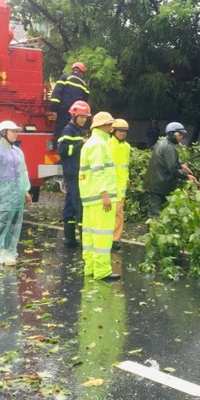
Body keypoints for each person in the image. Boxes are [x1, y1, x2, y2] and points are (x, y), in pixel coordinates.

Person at [0, 120, 33, 270]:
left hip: (16, 194)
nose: (16, 134)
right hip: (2, 194)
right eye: (13, 131)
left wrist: (25, 190)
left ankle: (8, 253)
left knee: (15, 224)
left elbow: (23, 172)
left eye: (17, 131)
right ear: (3, 132)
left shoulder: (17, 152)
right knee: (1, 224)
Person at [78, 111, 120, 280]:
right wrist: (105, 194)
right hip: (100, 198)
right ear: (103, 126)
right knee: (102, 235)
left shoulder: (90, 143)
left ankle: (90, 268)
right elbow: (98, 170)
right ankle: (102, 271)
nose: (111, 127)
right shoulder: (99, 145)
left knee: (89, 235)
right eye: (109, 124)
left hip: (89, 197)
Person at [143, 121, 195, 219]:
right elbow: (172, 168)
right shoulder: (170, 147)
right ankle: (153, 233)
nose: (181, 137)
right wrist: (186, 176)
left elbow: (165, 160)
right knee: (155, 213)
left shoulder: (161, 143)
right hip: (160, 184)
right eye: (180, 135)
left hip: (154, 182)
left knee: (156, 211)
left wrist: (180, 164)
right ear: (172, 134)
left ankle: (155, 232)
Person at [58, 100, 90, 249]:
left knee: (70, 206)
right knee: (80, 205)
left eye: (85, 117)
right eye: (81, 117)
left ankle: (70, 239)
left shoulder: (78, 130)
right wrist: (81, 144)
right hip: (73, 173)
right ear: (74, 115)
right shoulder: (68, 130)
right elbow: (62, 151)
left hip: (75, 172)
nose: (84, 120)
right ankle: (86, 240)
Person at [49, 62, 90, 138]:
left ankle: (59, 146)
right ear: (82, 72)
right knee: (74, 133)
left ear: (73, 69)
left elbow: (56, 95)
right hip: (76, 114)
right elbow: (84, 102)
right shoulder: (84, 85)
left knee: (60, 133)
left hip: (63, 111)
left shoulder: (64, 77)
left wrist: (54, 109)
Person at [109, 118, 131, 242]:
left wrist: (127, 179)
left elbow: (125, 165)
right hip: (108, 186)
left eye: (125, 131)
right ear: (114, 131)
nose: (123, 133)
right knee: (108, 214)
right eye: (120, 131)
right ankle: (107, 237)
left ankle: (116, 239)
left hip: (121, 187)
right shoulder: (107, 144)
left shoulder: (127, 147)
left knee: (118, 213)